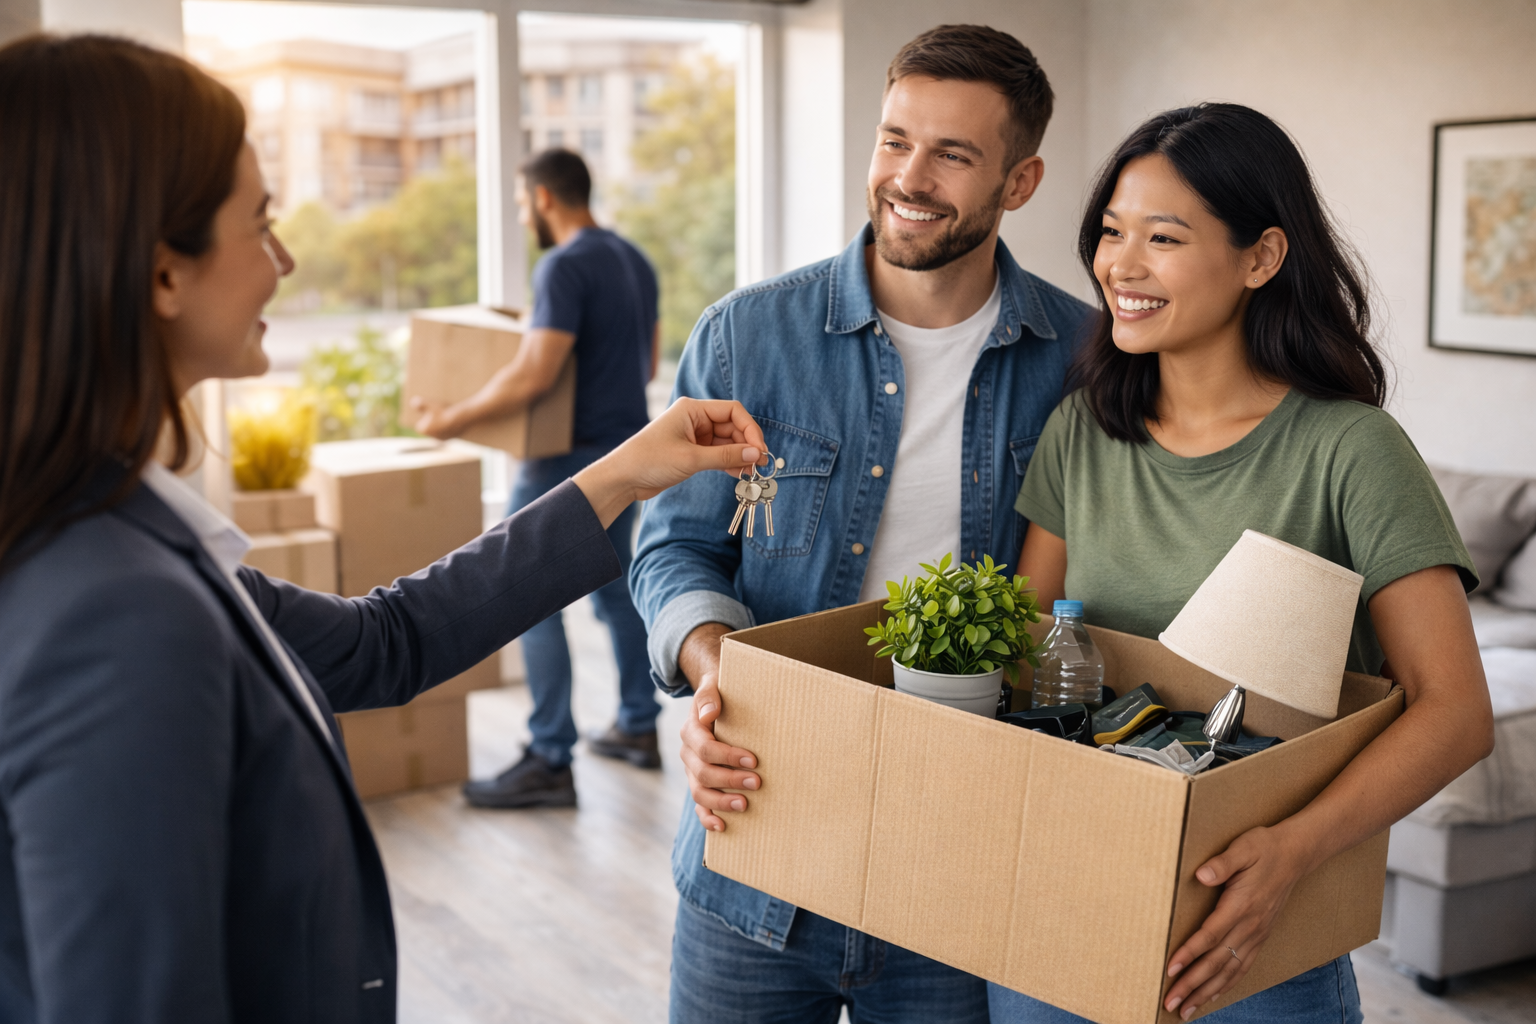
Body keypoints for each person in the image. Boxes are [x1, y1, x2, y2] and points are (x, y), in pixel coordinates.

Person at [0, 34, 764, 1023]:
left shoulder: (113, 542)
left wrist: (625, 472)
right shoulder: (115, 611)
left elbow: (379, 643)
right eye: (260, 224)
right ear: (160, 274)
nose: (285, 258)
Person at [629, 24, 1092, 1023]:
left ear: (1021, 182)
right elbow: (675, 545)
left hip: (958, 878)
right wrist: (718, 677)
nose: (907, 178)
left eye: (952, 154)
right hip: (756, 847)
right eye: (894, 140)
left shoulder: (1082, 360)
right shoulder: (747, 336)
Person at [996, 103, 1494, 1022]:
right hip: (1060, 911)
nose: (1122, 266)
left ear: (1262, 258)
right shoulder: (1082, 432)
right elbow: (1024, 658)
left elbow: (1457, 714)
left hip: (1251, 940)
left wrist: (1295, 851)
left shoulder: (1350, 450)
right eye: (1111, 232)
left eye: (1164, 238)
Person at [412, 148, 666, 808]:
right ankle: (640, 724)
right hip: (625, 451)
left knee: (524, 597)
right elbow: (645, 365)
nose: (525, 214)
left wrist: (449, 419)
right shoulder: (634, 262)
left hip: (563, 460)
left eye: (524, 203)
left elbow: (534, 372)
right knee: (615, 593)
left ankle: (549, 757)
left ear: (545, 199)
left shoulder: (562, 265)